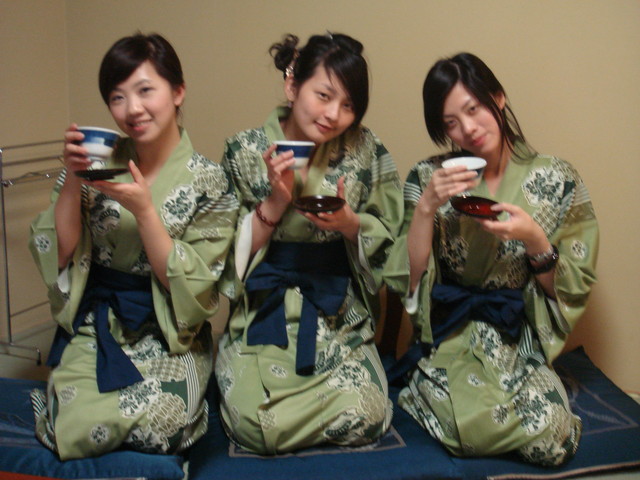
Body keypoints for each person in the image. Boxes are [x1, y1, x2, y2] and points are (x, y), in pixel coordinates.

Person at [28, 33, 238, 460]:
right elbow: (61, 251)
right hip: (99, 323)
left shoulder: (210, 180)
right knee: (75, 427)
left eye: (145, 91)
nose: (132, 109)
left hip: (169, 333)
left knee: (162, 424)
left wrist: (145, 212)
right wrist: (72, 178)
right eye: (117, 97)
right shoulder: (95, 163)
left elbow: (194, 287)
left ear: (177, 92)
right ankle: (60, 403)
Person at [383, 53, 599, 466]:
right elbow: (408, 279)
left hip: (517, 336)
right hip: (450, 334)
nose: (467, 129)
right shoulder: (427, 177)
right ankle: (429, 393)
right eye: (450, 123)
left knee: (550, 438)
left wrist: (535, 239)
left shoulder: (558, 178)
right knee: (465, 428)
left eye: (473, 109)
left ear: (497, 98)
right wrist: (427, 207)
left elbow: (568, 289)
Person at [215, 32, 403, 455]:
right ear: (292, 85)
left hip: (338, 314)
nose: (334, 114)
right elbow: (221, 254)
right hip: (264, 309)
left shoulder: (366, 149)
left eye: (349, 105)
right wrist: (275, 203)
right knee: (250, 423)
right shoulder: (243, 150)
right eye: (324, 95)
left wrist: (351, 225)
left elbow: (392, 241)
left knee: (370, 412)